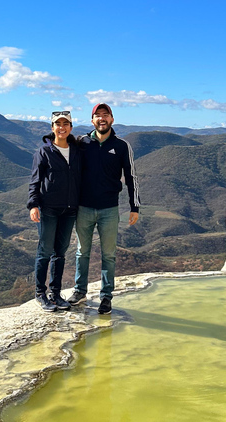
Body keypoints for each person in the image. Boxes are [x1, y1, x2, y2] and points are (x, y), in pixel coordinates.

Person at [67, 103, 140, 314]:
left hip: (109, 209)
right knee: (82, 252)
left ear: (112, 119)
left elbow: (131, 177)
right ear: (92, 121)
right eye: (97, 116)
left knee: (109, 255)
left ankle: (106, 297)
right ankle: (80, 291)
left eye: (105, 115)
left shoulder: (122, 146)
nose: (101, 119)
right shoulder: (82, 143)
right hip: (84, 207)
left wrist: (134, 206)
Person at [27, 111, 81, 312]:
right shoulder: (44, 152)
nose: (62, 127)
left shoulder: (76, 151)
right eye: (58, 124)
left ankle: (55, 294)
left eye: (65, 123)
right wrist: (33, 205)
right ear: (52, 128)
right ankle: (40, 294)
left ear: (71, 127)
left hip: (70, 209)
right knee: (45, 251)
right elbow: (35, 181)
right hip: (48, 208)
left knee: (60, 252)